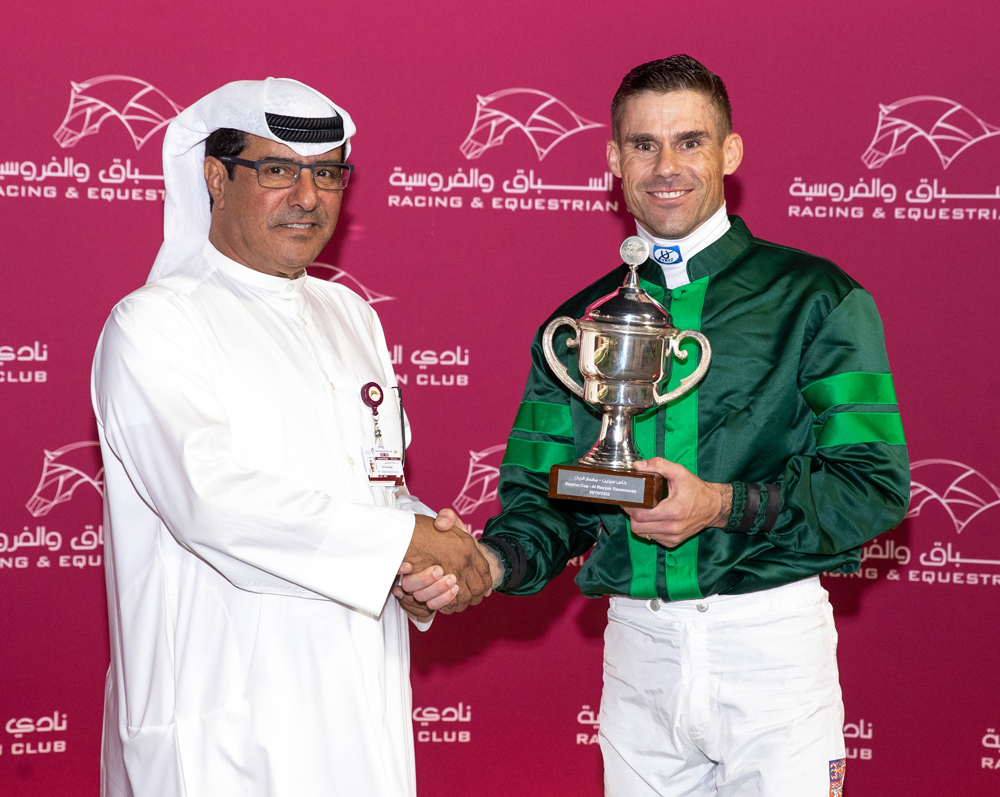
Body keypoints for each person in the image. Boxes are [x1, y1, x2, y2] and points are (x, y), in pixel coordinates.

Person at [471, 55, 910, 796]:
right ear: (614, 160)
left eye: (690, 141)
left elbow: (873, 488)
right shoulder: (577, 326)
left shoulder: (818, 298)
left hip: (770, 645)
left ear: (730, 152)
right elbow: (546, 496)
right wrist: (490, 562)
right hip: (637, 649)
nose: (665, 166)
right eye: (643, 144)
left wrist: (720, 504)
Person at [91, 77, 491, 797]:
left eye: (328, 173)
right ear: (216, 177)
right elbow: (209, 502)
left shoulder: (352, 315)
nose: (308, 196)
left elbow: (375, 488)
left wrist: (421, 572)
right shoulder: (153, 324)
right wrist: (400, 544)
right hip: (222, 725)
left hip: (358, 705)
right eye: (278, 170)